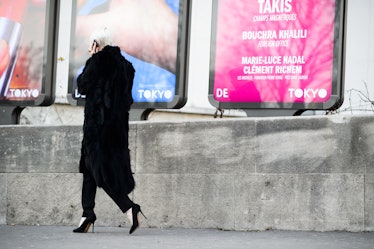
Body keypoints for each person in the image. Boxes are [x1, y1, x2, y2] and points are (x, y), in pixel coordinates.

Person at [73, 28, 144, 234]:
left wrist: (92, 59)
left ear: (96, 43)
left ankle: (129, 208)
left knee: (100, 173)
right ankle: (87, 214)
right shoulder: (126, 67)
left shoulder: (97, 62)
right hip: (116, 129)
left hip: (98, 129)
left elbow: (83, 85)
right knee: (89, 170)